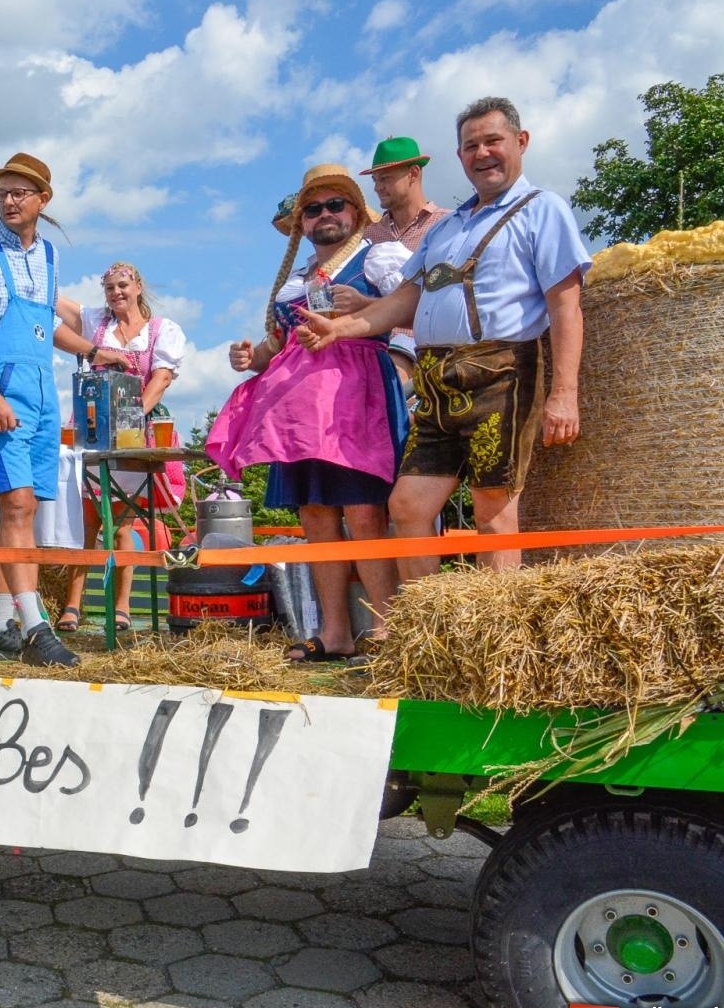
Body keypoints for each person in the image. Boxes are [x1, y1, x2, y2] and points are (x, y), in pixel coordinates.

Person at [299, 96, 589, 583]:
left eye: (493, 141)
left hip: (502, 373)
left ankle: (497, 629)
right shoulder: (448, 226)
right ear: (459, 156)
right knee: (408, 506)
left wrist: (564, 394)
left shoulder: (542, 210)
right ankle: (426, 624)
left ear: (521, 142)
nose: (482, 153)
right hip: (437, 380)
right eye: (471, 146)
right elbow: (405, 299)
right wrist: (340, 328)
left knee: (492, 510)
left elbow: (566, 307)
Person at [207, 164, 411, 661]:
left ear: (355, 212)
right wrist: (250, 357)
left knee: (365, 513)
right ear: (301, 222)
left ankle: (386, 629)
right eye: (313, 209)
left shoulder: (378, 258)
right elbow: (277, 346)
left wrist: (367, 306)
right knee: (316, 517)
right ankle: (335, 631)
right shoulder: (294, 282)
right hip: (298, 414)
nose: (325, 215)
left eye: (335, 205)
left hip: (355, 402)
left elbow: (414, 308)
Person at [0, 152, 110, 667]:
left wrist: (93, 351)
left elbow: (48, 325)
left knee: (24, 509)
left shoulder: (48, 256)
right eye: (3, 193)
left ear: (43, 199)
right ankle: (36, 627)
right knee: (17, 503)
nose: (9, 201)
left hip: (41, 388)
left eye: (20, 193)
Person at [54, 261, 186, 633]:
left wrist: (131, 416)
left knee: (122, 522)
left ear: (138, 286)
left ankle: (122, 606)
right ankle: (72, 605)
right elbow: (50, 297)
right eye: (110, 288)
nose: (116, 293)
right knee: (86, 522)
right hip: (93, 428)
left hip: (134, 434)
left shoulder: (162, 330)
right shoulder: (96, 322)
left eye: (123, 286)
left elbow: (161, 379)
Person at [361, 136, 450, 381]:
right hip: (373, 350)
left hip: (432, 352)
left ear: (413, 173)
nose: (378, 187)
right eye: (375, 180)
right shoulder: (368, 235)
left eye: (385, 178)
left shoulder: (448, 225)